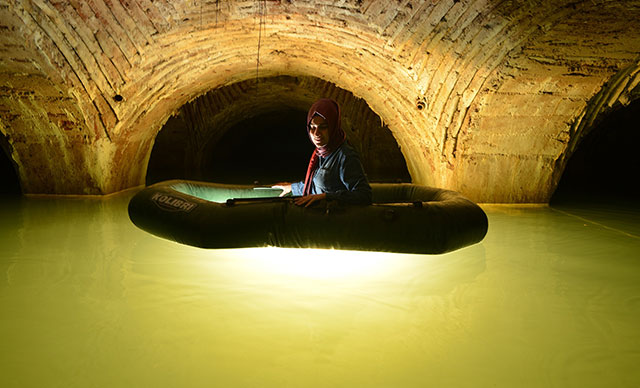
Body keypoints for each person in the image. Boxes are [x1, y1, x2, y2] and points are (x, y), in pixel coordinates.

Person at [273, 98, 372, 207]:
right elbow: (315, 185)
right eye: (312, 127)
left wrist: (327, 197)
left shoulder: (345, 156)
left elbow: (364, 196)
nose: (316, 133)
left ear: (333, 127)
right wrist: (293, 187)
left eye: (323, 127)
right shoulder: (320, 153)